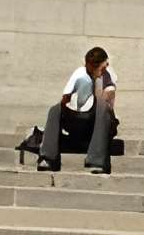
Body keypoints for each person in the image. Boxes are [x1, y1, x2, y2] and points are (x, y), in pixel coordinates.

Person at [38, 46, 117, 175]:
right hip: (79, 119)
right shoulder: (80, 74)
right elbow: (66, 98)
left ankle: (97, 160)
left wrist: (98, 82)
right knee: (55, 109)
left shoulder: (107, 74)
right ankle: (48, 157)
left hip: (99, 123)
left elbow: (109, 98)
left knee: (102, 105)